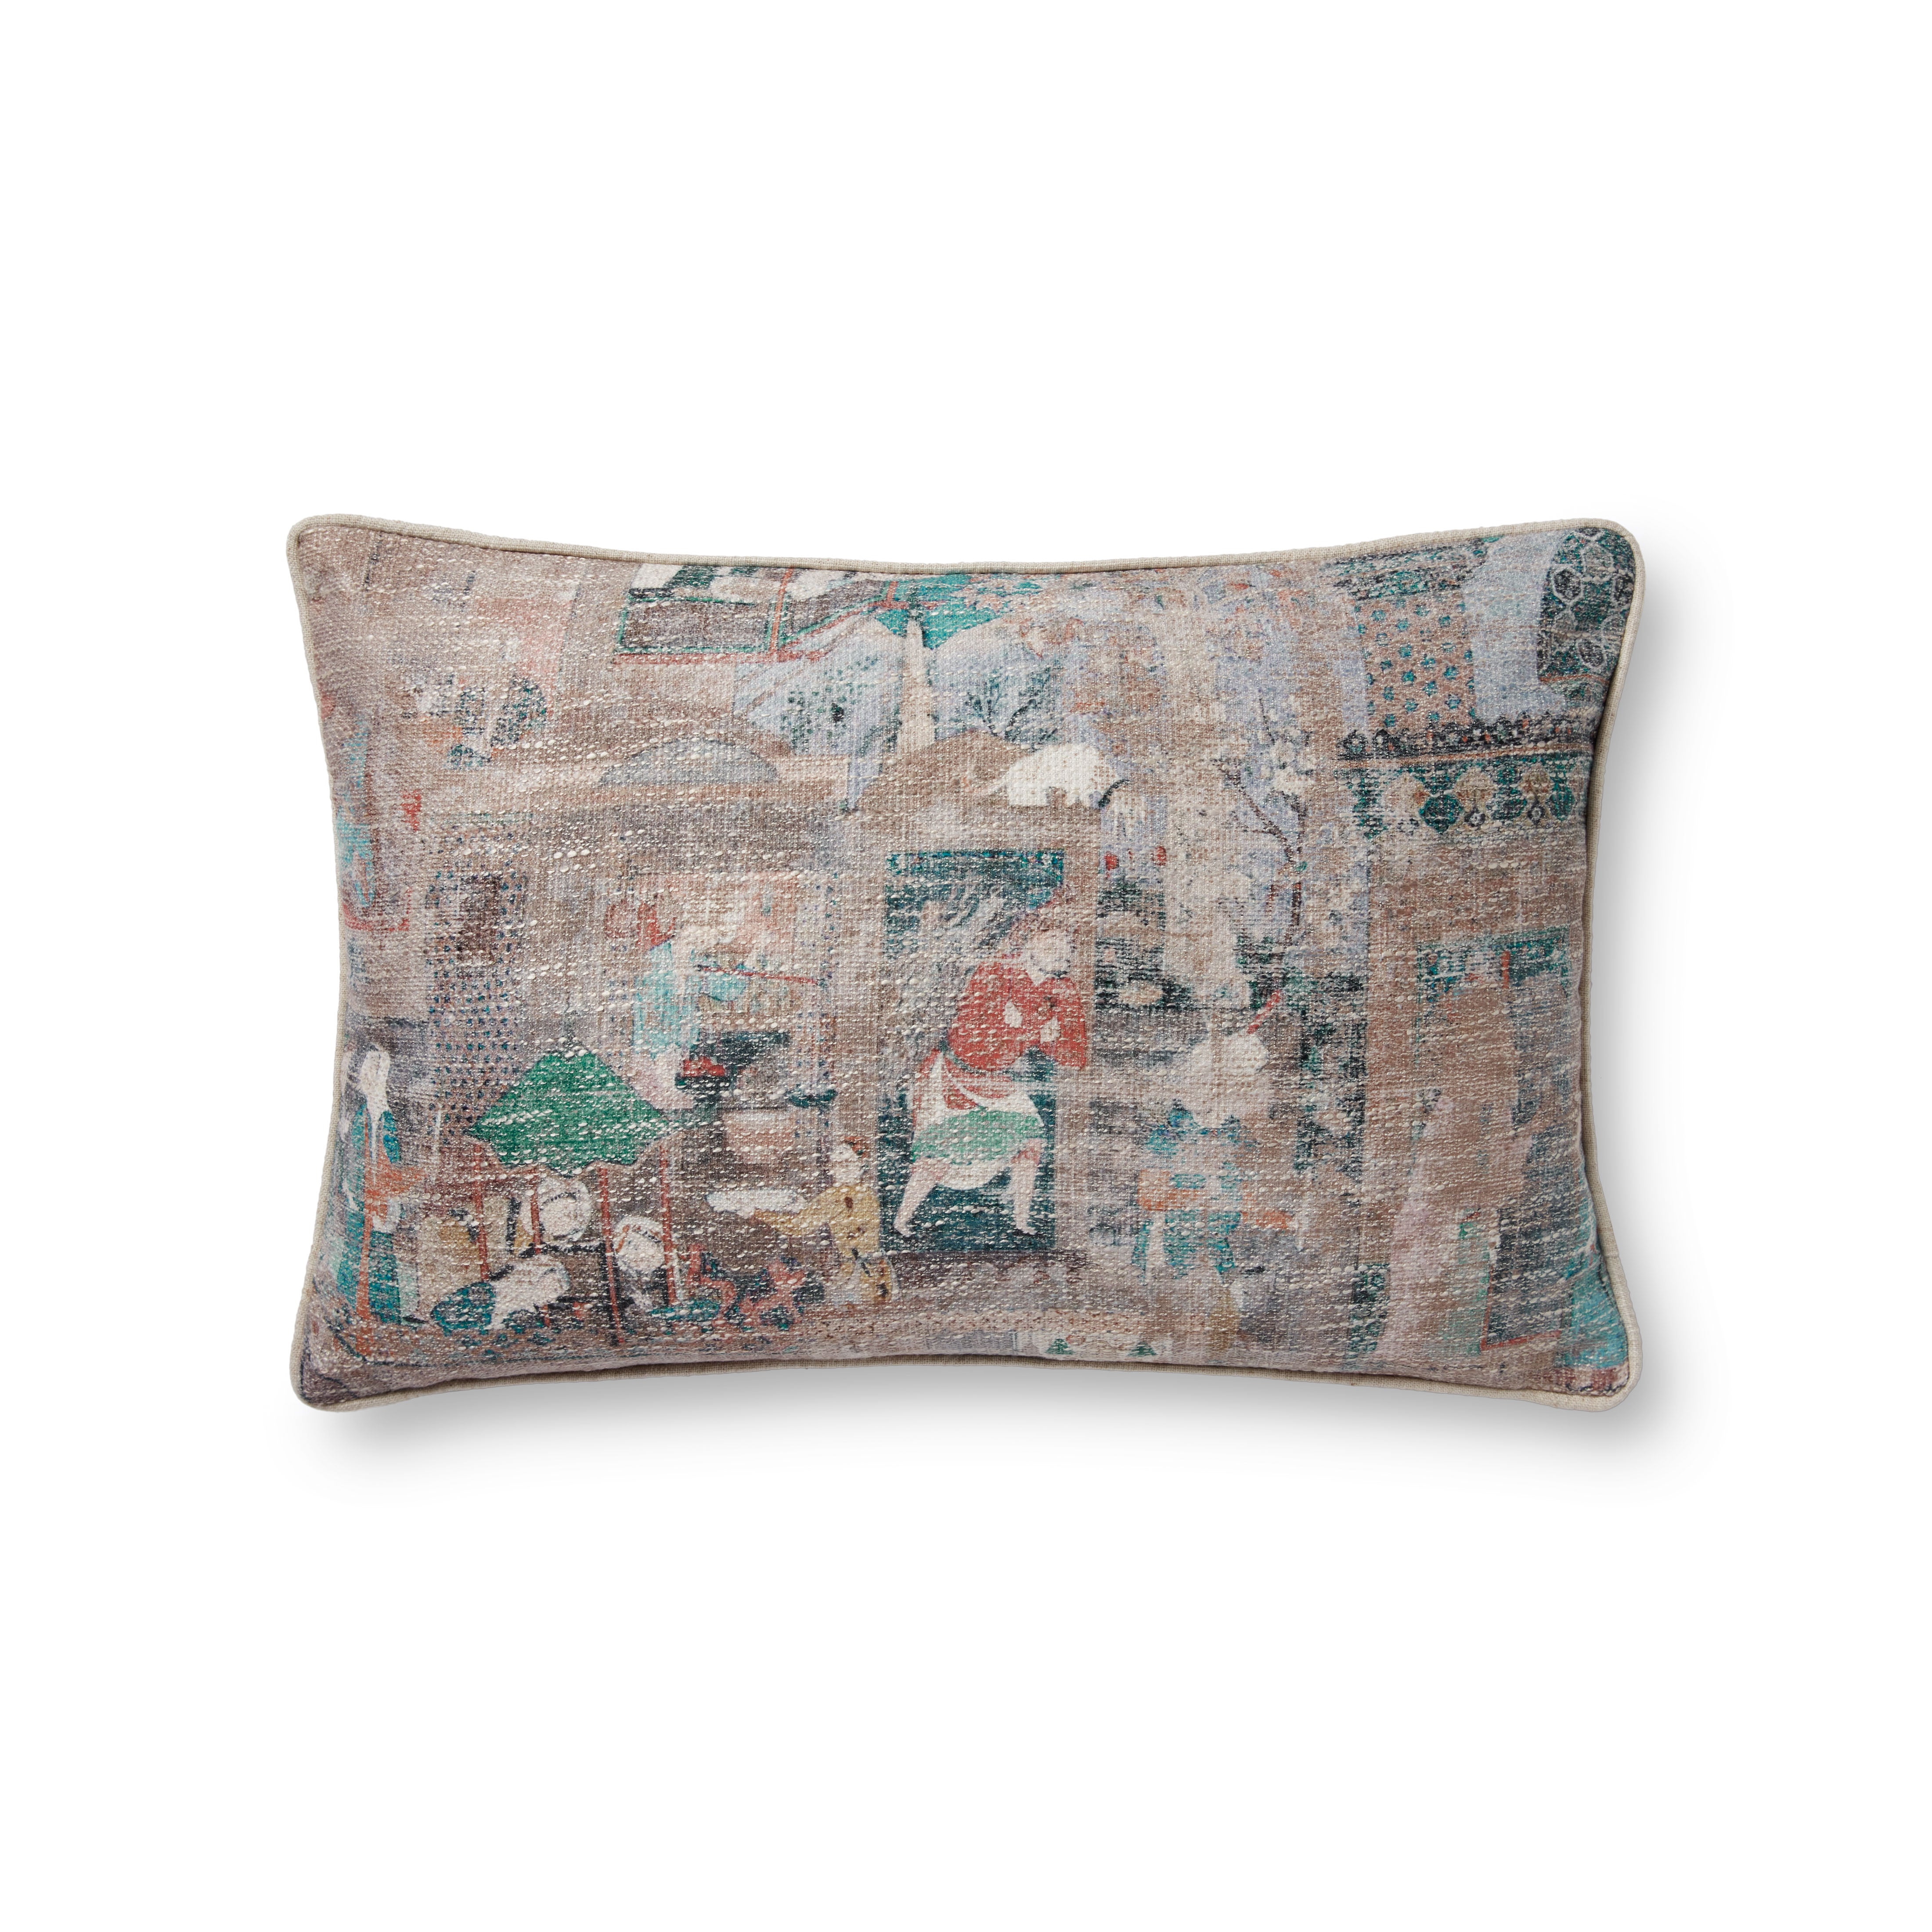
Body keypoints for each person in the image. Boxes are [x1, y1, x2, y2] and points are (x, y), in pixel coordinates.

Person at [893, 914, 1088, 1239]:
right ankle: (902, 1219)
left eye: (1068, 946)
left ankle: (1021, 1220)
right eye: (1053, 941)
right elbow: (971, 1031)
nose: (1062, 952)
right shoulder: (996, 971)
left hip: (994, 1079)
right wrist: (1037, 1029)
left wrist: (1042, 1034)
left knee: (1030, 1141)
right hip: (956, 1072)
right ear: (1030, 942)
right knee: (938, 1154)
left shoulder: (1063, 990)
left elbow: (1075, 1055)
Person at [757, 1138, 894, 1303]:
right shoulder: (864, 1193)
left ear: (860, 1165)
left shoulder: (837, 1197)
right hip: (874, 1270)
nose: (842, 1168)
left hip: (861, 1274)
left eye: (847, 1163)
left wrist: (760, 1214)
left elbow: (797, 1227)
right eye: (838, 1164)